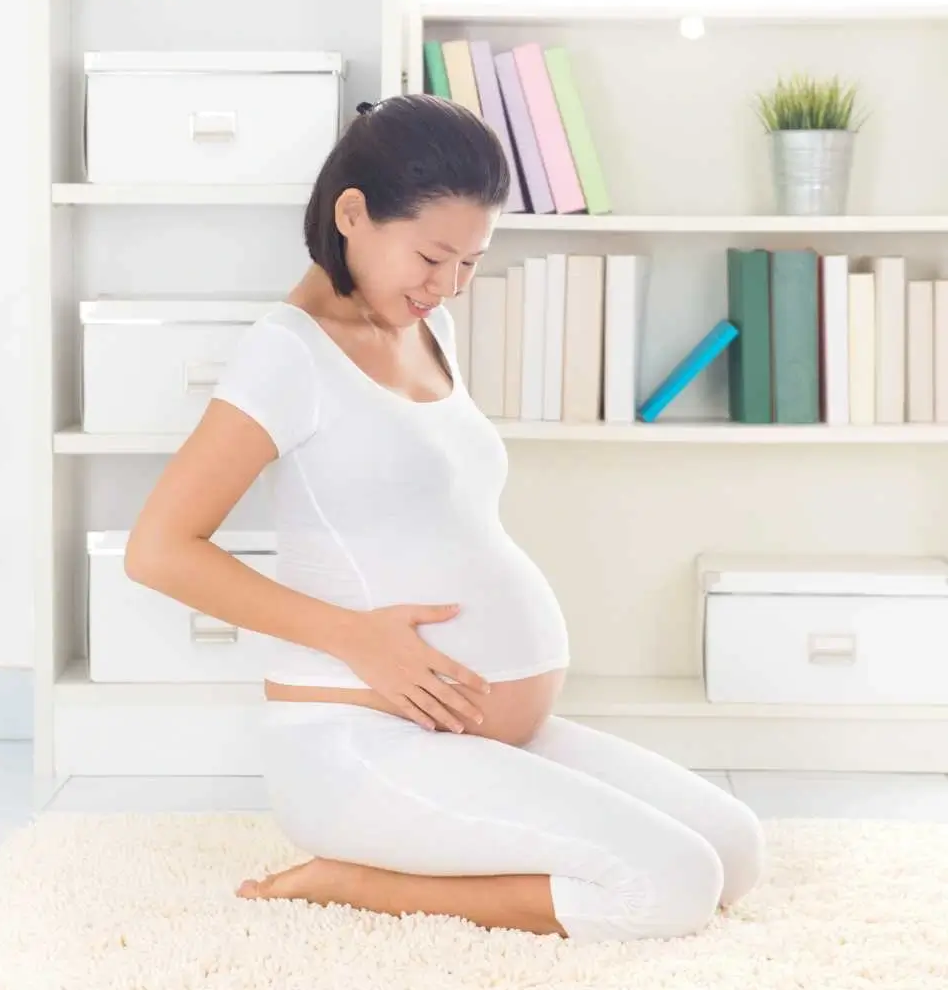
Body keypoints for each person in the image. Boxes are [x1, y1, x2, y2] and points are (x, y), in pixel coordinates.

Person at [124, 94, 765, 943]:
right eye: (431, 256)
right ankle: (354, 879)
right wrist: (356, 637)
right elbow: (158, 550)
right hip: (358, 746)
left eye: (470, 262)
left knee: (735, 849)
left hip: (473, 737)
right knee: (674, 886)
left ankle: (447, 856)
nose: (447, 285)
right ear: (353, 213)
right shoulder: (290, 352)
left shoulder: (432, 330)